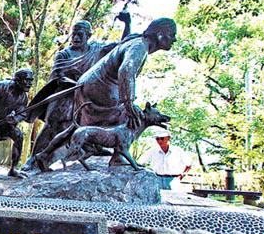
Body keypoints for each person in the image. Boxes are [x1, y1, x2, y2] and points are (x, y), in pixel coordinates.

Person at [35, 17, 177, 171]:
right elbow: (126, 70)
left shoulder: (135, 43)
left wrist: (127, 24)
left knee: (77, 127)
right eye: (172, 34)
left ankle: (44, 154)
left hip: (88, 85)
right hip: (100, 87)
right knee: (132, 115)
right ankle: (118, 156)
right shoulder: (140, 46)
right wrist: (128, 103)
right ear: (160, 34)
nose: (174, 39)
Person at [22, 11, 132, 170]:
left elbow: (122, 46)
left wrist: (127, 24)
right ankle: (32, 160)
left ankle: (90, 150)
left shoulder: (97, 50)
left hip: (85, 99)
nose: (76, 38)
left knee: (82, 128)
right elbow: (58, 77)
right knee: (50, 126)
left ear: (89, 35)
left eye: (80, 34)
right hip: (64, 96)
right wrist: (77, 82)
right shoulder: (64, 54)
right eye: (73, 34)